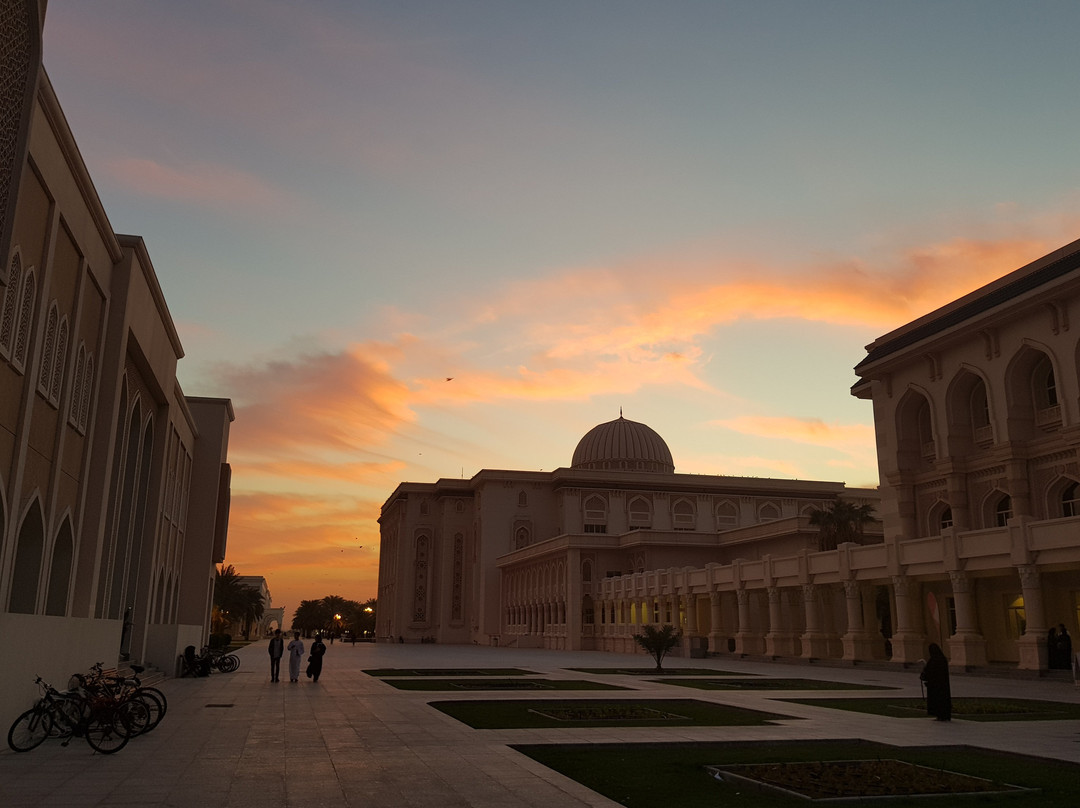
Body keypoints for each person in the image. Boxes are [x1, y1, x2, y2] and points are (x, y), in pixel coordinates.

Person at [920, 643, 951, 721]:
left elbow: (930, 671)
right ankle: (943, 715)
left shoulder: (934, 660)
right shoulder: (942, 659)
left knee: (937, 700)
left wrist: (925, 675)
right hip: (941, 685)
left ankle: (940, 715)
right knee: (942, 700)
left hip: (935, 685)